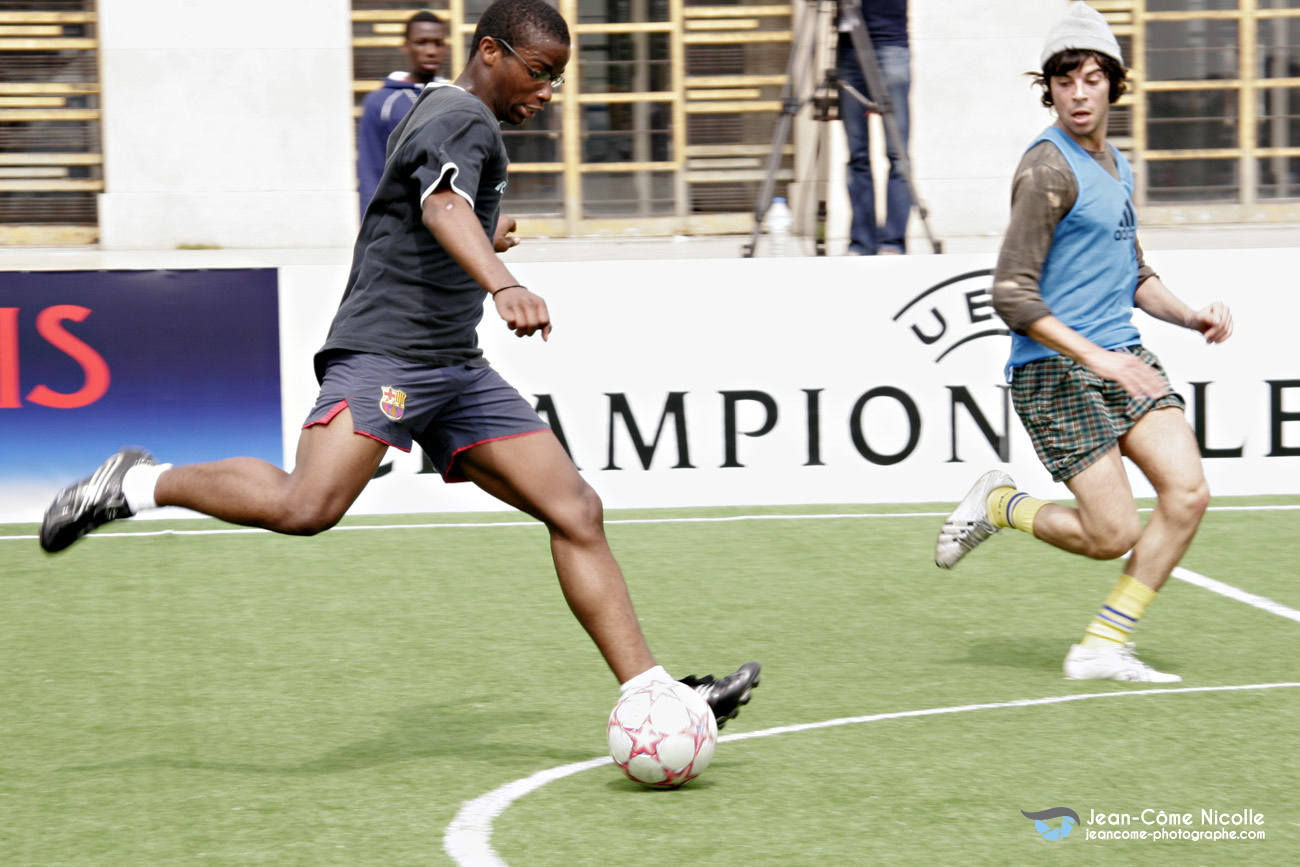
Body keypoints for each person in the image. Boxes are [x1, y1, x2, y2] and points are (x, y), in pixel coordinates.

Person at [41, 0, 760, 727]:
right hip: (387, 351)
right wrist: (502, 283)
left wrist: (490, 232)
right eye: (539, 74)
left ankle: (654, 693)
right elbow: (441, 207)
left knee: (575, 509)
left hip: (456, 366)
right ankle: (135, 483)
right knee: (306, 506)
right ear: (490, 52)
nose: (548, 93)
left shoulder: (457, 118)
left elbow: (443, 208)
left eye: (558, 80)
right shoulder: (459, 117)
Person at [933, 2, 1233, 683]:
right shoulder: (1046, 168)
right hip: (1056, 370)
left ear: (1113, 84)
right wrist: (1096, 356)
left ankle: (1102, 644)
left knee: (1188, 493)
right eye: (1064, 80)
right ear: (1050, 86)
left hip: (1123, 360)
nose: (1077, 93)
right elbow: (1010, 294)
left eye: (1091, 78)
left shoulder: (1117, 165)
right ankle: (1000, 505)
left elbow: (1133, 272)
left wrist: (1190, 316)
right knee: (1112, 534)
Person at [357, 10, 449, 219]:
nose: (431, 51)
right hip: (397, 225)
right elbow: (370, 170)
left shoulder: (455, 100)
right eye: (422, 42)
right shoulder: (380, 102)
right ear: (405, 45)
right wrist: (369, 230)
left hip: (447, 224)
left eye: (438, 43)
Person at [837, 0, 911, 255]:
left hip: (890, 46)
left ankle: (892, 242)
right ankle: (861, 241)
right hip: (848, 49)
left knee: (897, 154)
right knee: (857, 156)